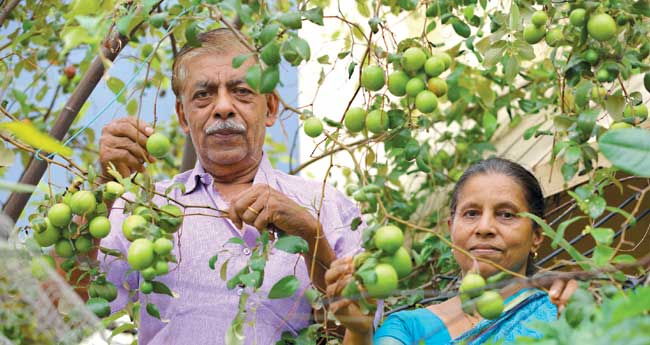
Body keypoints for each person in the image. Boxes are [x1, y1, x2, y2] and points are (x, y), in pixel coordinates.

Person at [90, 29, 362, 344]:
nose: (223, 107)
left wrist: (312, 239)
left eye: (241, 90)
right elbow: (63, 307)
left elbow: (357, 332)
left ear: (271, 107)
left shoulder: (327, 206)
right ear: (183, 115)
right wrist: (102, 186)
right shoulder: (146, 212)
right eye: (203, 94)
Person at [325, 157, 578, 344]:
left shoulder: (566, 311)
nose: (485, 227)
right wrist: (358, 330)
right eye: (471, 214)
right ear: (450, 229)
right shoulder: (409, 329)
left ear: (536, 235)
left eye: (506, 214)